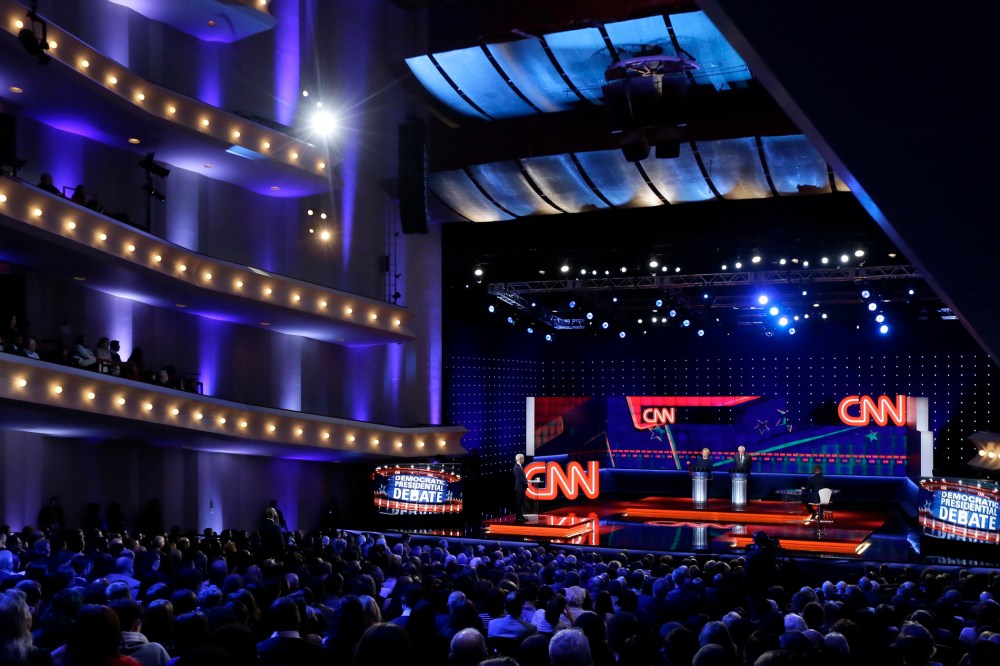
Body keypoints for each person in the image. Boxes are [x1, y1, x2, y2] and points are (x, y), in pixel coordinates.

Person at [513, 454, 528, 523]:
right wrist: (526, 484)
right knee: (519, 503)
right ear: (520, 459)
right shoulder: (516, 467)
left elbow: (523, 477)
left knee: (521, 503)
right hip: (519, 488)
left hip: (521, 488)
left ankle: (521, 516)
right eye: (523, 458)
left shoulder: (519, 466)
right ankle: (518, 517)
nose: (524, 460)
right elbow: (521, 479)